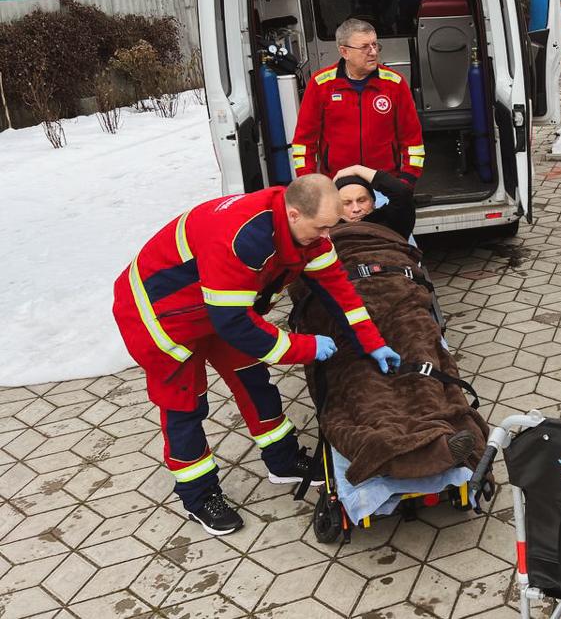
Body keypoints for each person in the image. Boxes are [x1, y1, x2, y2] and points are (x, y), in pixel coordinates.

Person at [112, 175, 403, 536]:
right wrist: (305, 348)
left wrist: (372, 342)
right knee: (186, 408)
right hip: (161, 316)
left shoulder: (305, 233)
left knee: (255, 382)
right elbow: (233, 322)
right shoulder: (242, 238)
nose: (327, 236)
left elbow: (340, 293)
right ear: (294, 214)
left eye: (332, 227)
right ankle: (199, 497)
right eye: (322, 228)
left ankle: (282, 461)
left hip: (219, 308)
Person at [291, 18, 425, 189]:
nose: (374, 52)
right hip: (337, 185)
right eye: (364, 47)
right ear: (344, 52)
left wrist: (407, 181)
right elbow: (304, 142)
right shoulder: (321, 85)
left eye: (375, 45)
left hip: (385, 182)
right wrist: (309, 184)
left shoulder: (394, 83)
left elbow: (412, 139)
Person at [333, 164, 417, 238]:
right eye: (347, 203)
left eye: (361, 200)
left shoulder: (392, 222)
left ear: (373, 202)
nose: (356, 209)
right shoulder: (327, 232)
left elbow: (402, 193)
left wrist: (357, 169)